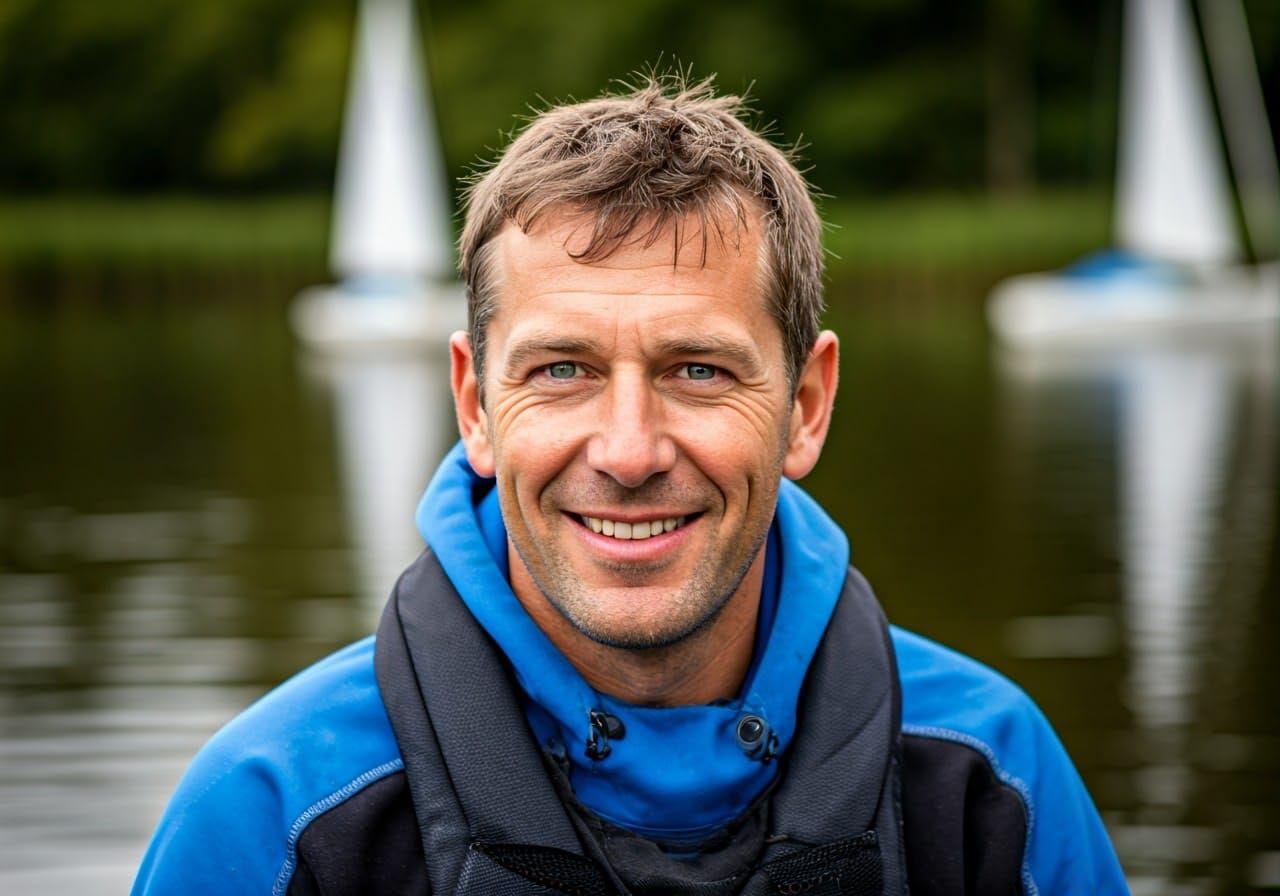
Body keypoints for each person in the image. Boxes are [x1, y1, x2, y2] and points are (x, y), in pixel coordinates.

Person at [133, 75, 1129, 895]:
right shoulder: (272, 806)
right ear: (474, 402)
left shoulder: (990, 780)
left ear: (807, 404)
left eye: (697, 368)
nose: (627, 448)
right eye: (560, 368)